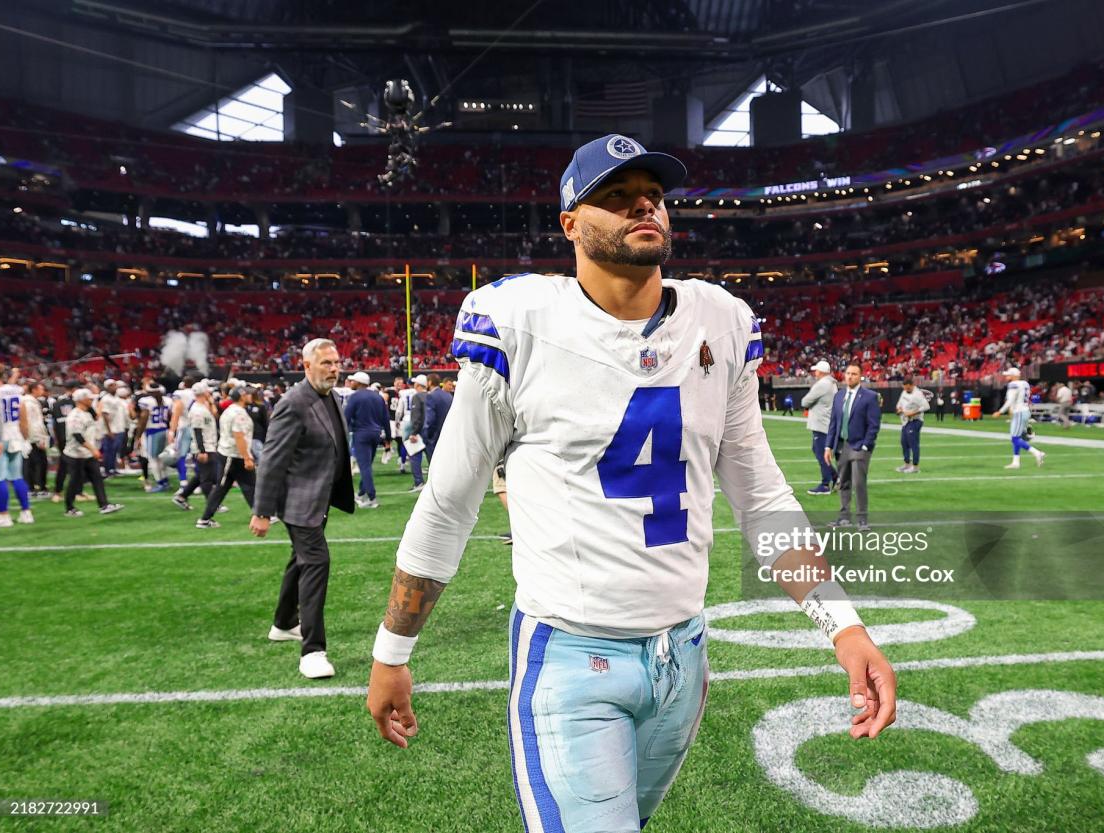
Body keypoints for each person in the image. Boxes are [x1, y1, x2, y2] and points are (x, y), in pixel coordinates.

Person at [364, 134, 895, 833]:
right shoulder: (521, 324)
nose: (642, 203)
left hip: (685, 658)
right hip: (571, 657)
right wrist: (392, 652)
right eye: (614, 196)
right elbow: (449, 503)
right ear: (571, 224)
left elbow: (762, 496)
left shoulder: (721, 322)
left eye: (653, 194)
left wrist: (844, 626)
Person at [250, 339, 356, 679]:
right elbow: (272, 459)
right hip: (298, 503)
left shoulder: (331, 396)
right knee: (316, 563)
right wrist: (262, 511)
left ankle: (283, 624)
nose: (334, 368)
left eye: (336, 362)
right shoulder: (293, 402)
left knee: (300, 561)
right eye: (326, 363)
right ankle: (312, 651)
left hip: (318, 500)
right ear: (306, 365)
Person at [823, 364, 881, 529]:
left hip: (859, 446)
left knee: (859, 483)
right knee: (844, 483)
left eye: (854, 374)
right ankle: (844, 517)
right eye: (848, 373)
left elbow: (874, 425)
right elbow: (833, 423)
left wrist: (865, 446)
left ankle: (862, 520)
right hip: (841, 445)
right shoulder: (839, 395)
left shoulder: (870, 396)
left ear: (860, 376)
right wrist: (828, 446)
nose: (850, 376)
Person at [196, 386, 257, 528]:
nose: (251, 396)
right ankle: (260, 514)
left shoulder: (231, 410)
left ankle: (260, 513)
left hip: (231, 454)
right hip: (233, 455)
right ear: (242, 396)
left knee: (238, 486)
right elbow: (239, 436)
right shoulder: (238, 413)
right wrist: (247, 457)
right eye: (247, 394)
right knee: (243, 486)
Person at [61, 389, 124, 518]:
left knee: (97, 479)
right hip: (76, 454)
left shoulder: (87, 413)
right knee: (75, 482)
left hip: (87, 454)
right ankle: (69, 508)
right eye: (89, 398)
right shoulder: (75, 416)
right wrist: (93, 449)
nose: (91, 400)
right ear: (81, 399)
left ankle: (104, 505)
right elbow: (78, 436)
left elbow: (96, 416)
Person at [344, 371, 393, 509]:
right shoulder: (378, 397)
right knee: (367, 466)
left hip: (361, 434)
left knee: (364, 467)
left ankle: (372, 497)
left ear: (359, 383)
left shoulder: (354, 397)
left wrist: (342, 433)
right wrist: (388, 438)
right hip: (376, 434)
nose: (351, 383)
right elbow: (385, 418)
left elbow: (346, 417)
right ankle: (360, 493)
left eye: (353, 381)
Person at [0, 363, 32, 527]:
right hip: (16, 435)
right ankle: (26, 512)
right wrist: (25, 438)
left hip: (0, 436)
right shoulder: (15, 390)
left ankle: (3, 515)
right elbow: (23, 415)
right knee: (17, 476)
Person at [174, 382, 220, 511]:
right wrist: (202, 450)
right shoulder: (197, 410)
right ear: (204, 392)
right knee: (207, 478)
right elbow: (197, 431)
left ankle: (182, 496)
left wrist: (210, 403)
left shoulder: (203, 406)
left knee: (202, 475)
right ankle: (212, 504)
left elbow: (215, 415)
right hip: (204, 446)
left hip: (209, 444)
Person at [992, 368, 1046, 470]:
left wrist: (1000, 411)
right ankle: (1016, 462)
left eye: (1009, 374)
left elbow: (1010, 400)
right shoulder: (1024, 383)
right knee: (1016, 438)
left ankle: (1037, 453)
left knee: (1015, 438)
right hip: (1025, 411)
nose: (1006, 376)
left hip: (1019, 412)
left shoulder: (1013, 385)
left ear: (1014, 375)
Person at [801, 360, 837, 495]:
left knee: (821, 454)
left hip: (821, 423)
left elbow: (805, 401)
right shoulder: (832, 383)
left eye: (816, 370)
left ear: (821, 372)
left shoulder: (822, 384)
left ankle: (825, 484)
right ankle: (835, 477)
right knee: (819, 450)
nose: (814, 373)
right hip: (826, 422)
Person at [135, 384, 172, 492]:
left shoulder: (147, 401)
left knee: (153, 459)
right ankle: (165, 480)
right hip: (164, 430)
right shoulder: (167, 400)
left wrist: (138, 435)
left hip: (152, 431)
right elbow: (169, 416)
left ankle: (161, 482)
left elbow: (144, 418)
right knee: (160, 458)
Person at [895, 378, 929, 473]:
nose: (906, 390)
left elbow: (926, 406)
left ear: (912, 385)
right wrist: (899, 409)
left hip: (915, 420)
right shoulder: (904, 392)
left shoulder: (917, 394)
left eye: (908, 388)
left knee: (913, 444)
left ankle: (915, 466)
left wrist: (913, 412)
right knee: (904, 442)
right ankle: (906, 464)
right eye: (905, 388)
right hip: (905, 421)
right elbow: (899, 404)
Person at [23, 381, 50, 498]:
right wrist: (39, 439)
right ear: (34, 389)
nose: (42, 391)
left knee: (34, 463)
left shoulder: (33, 402)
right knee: (35, 463)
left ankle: (34, 487)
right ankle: (34, 488)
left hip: (32, 437)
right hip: (32, 438)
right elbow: (31, 423)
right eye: (40, 388)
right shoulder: (29, 403)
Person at [401, 375, 428, 490]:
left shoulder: (417, 396)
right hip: (431, 431)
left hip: (420, 432)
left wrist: (414, 432)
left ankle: (419, 482)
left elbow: (417, 417)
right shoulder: (431, 395)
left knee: (415, 457)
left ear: (417, 385)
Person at [421, 373, 453, 462]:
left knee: (434, 465)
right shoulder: (448, 396)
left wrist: (427, 435)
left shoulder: (431, 396)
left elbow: (430, 420)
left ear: (430, 382)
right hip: (447, 434)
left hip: (435, 436)